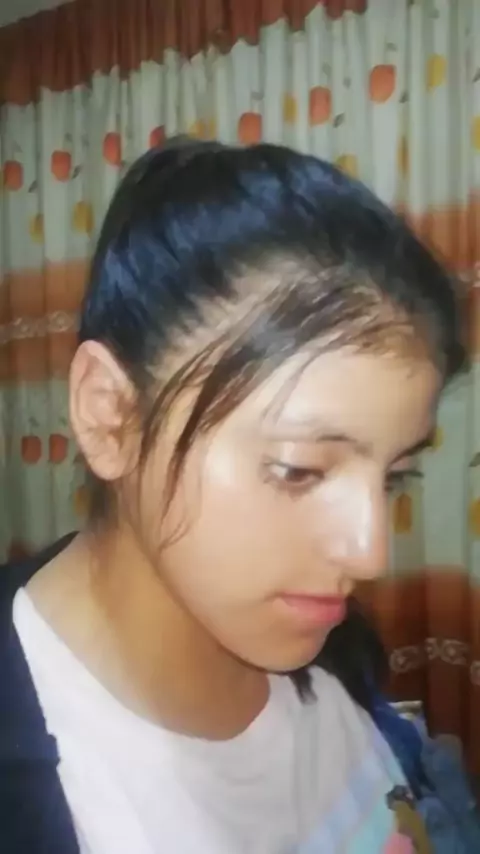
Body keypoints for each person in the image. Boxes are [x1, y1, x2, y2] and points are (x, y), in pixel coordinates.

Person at [0, 138, 470, 853]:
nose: (369, 553)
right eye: (298, 470)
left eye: (393, 476)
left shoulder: (326, 645)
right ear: (110, 416)